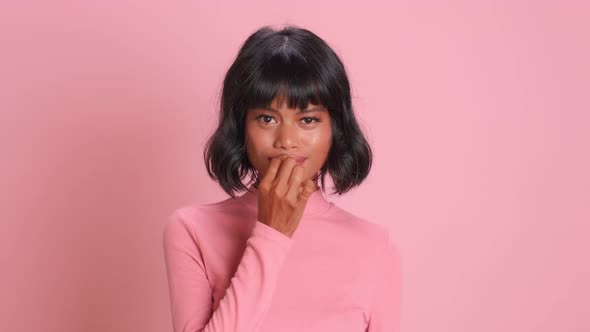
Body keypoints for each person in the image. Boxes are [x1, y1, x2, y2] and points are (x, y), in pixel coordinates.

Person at [162, 25, 401, 332]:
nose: (287, 141)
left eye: (308, 119)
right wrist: (271, 233)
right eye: (267, 118)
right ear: (241, 127)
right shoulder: (191, 230)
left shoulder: (376, 247)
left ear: (334, 129)